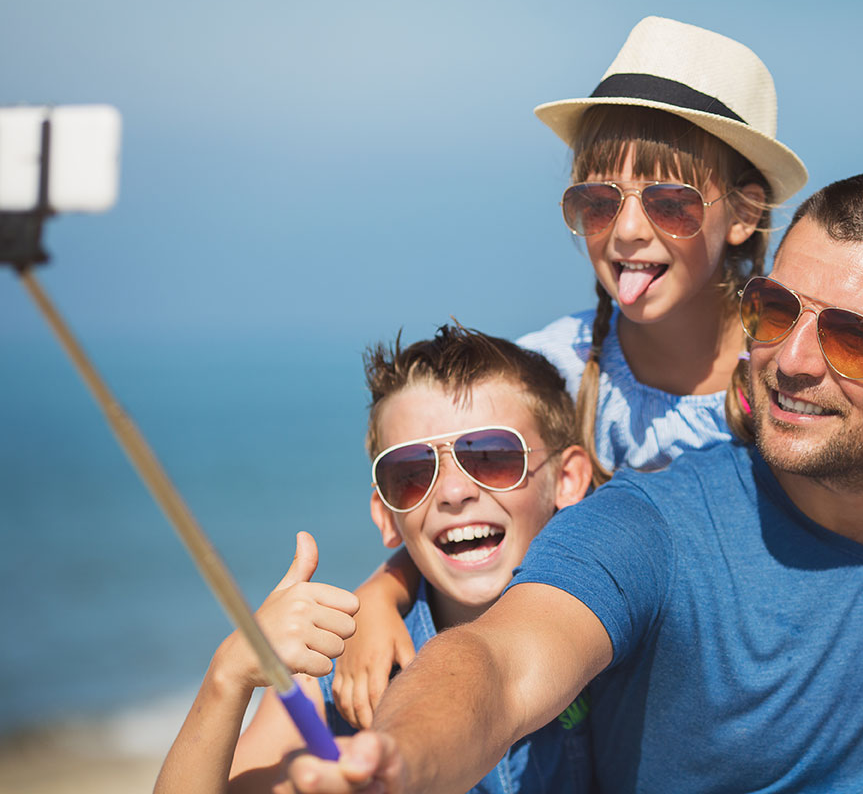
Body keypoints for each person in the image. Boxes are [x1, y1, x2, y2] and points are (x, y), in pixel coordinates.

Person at [287, 174, 863, 793]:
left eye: (848, 338)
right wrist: (398, 758)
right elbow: (496, 662)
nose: (792, 362)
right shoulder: (655, 524)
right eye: (772, 312)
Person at [334, 14, 863, 731]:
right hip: (578, 707)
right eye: (598, 202)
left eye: (670, 202)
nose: (629, 229)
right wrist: (383, 594)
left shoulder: (789, 368)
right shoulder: (553, 368)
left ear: (746, 211)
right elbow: (457, 500)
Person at [155, 324, 593, 793]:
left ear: (567, 479)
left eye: (489, 455)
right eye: (412, 472)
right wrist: (229, 674)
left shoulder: (613, 609)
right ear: (386, 515)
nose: (453, 491)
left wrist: (385, 584)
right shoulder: (342, 673)